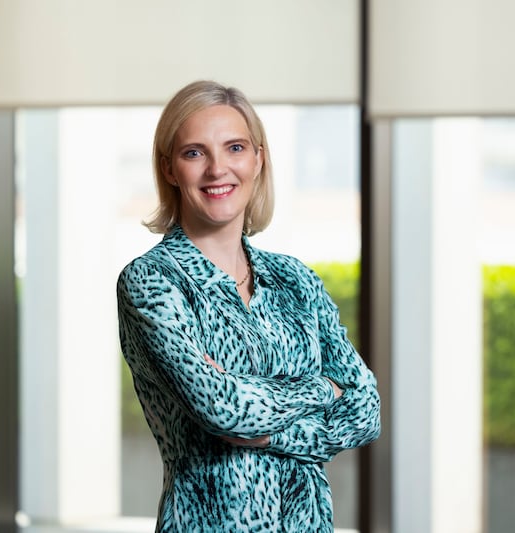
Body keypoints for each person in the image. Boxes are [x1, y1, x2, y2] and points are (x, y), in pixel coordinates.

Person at [116, 80, 381, 532]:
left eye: (234, 147)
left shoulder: (294, 278)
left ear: (258, 158)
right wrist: (319, 389)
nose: (218, 169)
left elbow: (365, 410)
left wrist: (261, 425)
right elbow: (225, 410)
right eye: (195, 152)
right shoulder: (152, 281)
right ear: (169, 169)